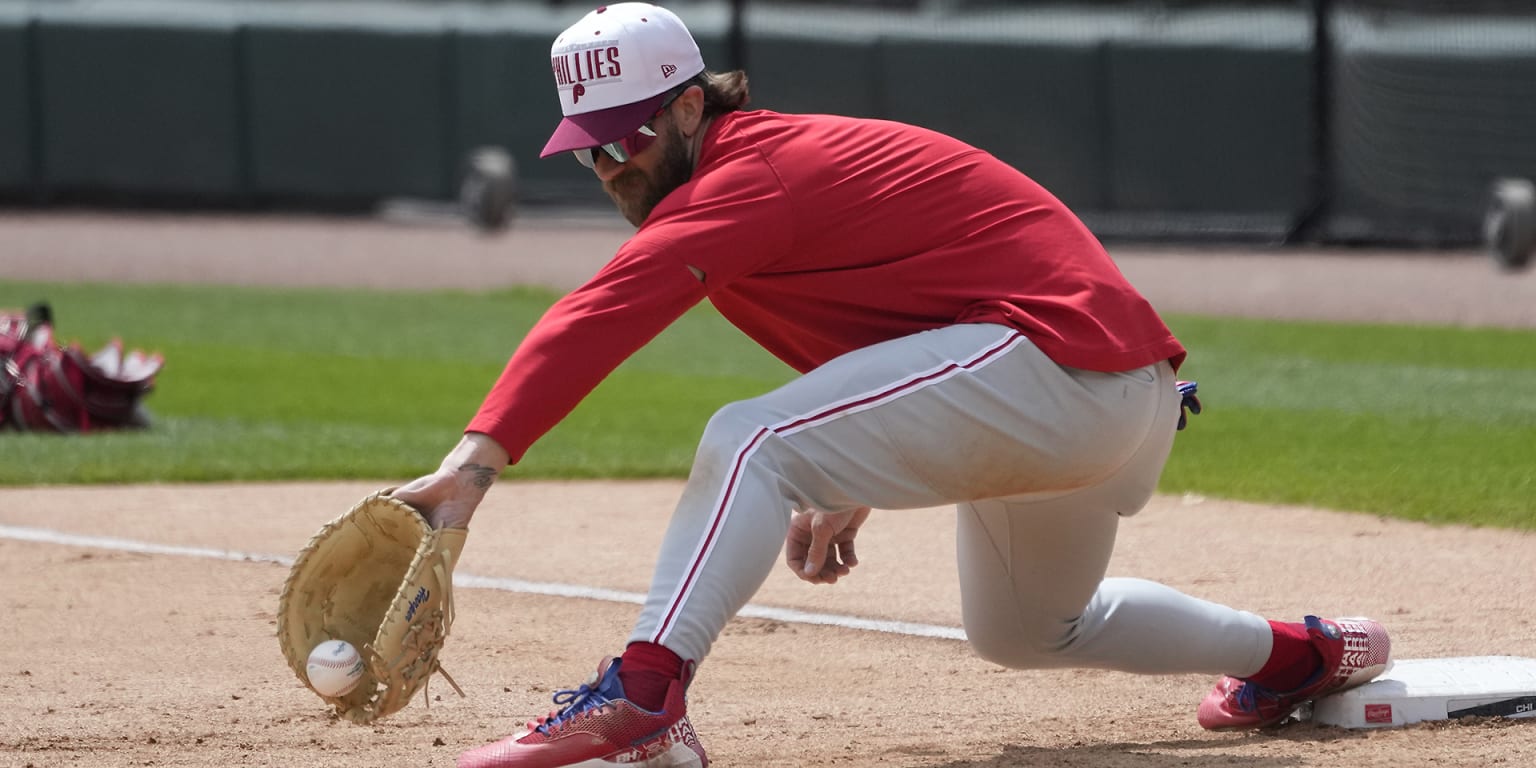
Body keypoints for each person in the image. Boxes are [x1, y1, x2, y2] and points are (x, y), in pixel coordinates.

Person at [390, 4, 1392, 767]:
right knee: (1029, 631)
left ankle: (645, 697)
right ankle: (1296, 658)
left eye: (630, 136)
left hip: (1059, 369)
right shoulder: (749, 182)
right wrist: (874, 462)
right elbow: (918, 317)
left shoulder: (749, 177)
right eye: (592, 147)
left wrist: (475, 462)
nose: (611, 164)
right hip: (1095, 396)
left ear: (692, 105)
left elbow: (603, 310)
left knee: (752, 439)